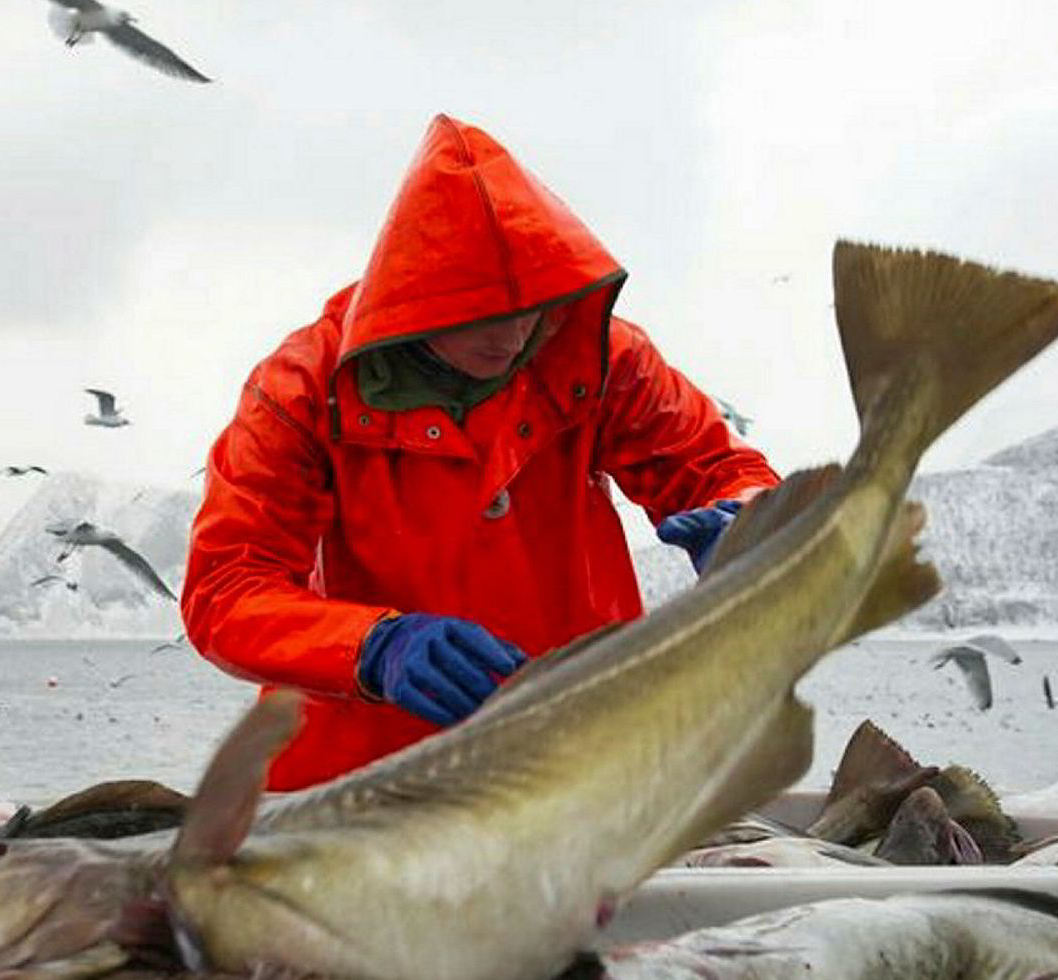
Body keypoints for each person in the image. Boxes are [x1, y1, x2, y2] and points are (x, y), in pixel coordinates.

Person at [182, 114, 780, 791]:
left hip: (583, 760)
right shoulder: (299, 388)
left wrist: (754, 522)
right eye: (479, 310)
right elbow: (227, 589)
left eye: (532, 304)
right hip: (358, 784)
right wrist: (372, 647)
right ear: (411, 297)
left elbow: (716, 469)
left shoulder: (602, 356)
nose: (513, 333)